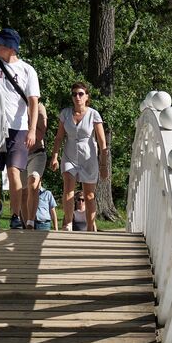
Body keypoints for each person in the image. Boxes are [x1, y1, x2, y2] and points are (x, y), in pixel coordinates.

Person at [0, 28, 41, 229]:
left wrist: (31, 129)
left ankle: (14, 215)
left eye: (0, 43)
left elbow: (33, 102)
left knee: (13, 172)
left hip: (18, 127)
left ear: (11, 48)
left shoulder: (27, 70)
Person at [50, 82, 109, 233]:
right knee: (68, 188)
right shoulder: (65, 114)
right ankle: (68, 223)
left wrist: (103, 165)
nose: (77, 97)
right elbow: (59, 138)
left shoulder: (93, 114)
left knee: (89, 195)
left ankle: (90, 227)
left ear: (87, 96)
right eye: (75, 94)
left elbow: (102, 143)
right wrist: (55, 157)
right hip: (69, 155)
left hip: (88, 157)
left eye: (81, 94)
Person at [22, 100, 49, 231]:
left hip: (37, 153)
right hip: (19, 154)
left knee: (33, 183)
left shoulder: (39, 108)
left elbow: (39, 134)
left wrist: (25, 123)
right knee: (22, 191)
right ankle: (24, 224)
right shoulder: (13, 103)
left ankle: (30, 223)